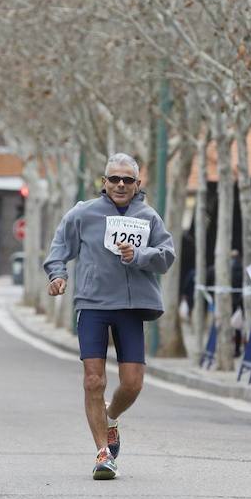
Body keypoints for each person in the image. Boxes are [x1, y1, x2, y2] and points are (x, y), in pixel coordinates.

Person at [43, 153, 175, 480]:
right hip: (93, 304)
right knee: (94, 380)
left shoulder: (148, 217)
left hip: (131, 307)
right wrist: (57, 276)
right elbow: (59, 250)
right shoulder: (83, 213)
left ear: (137, 184)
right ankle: (103, 453)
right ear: (104, 182)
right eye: (113, 179)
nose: (120, 184)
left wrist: (139, 255)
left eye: (127, 180)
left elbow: (166, 257)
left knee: (132, 383)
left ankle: (111, 416)